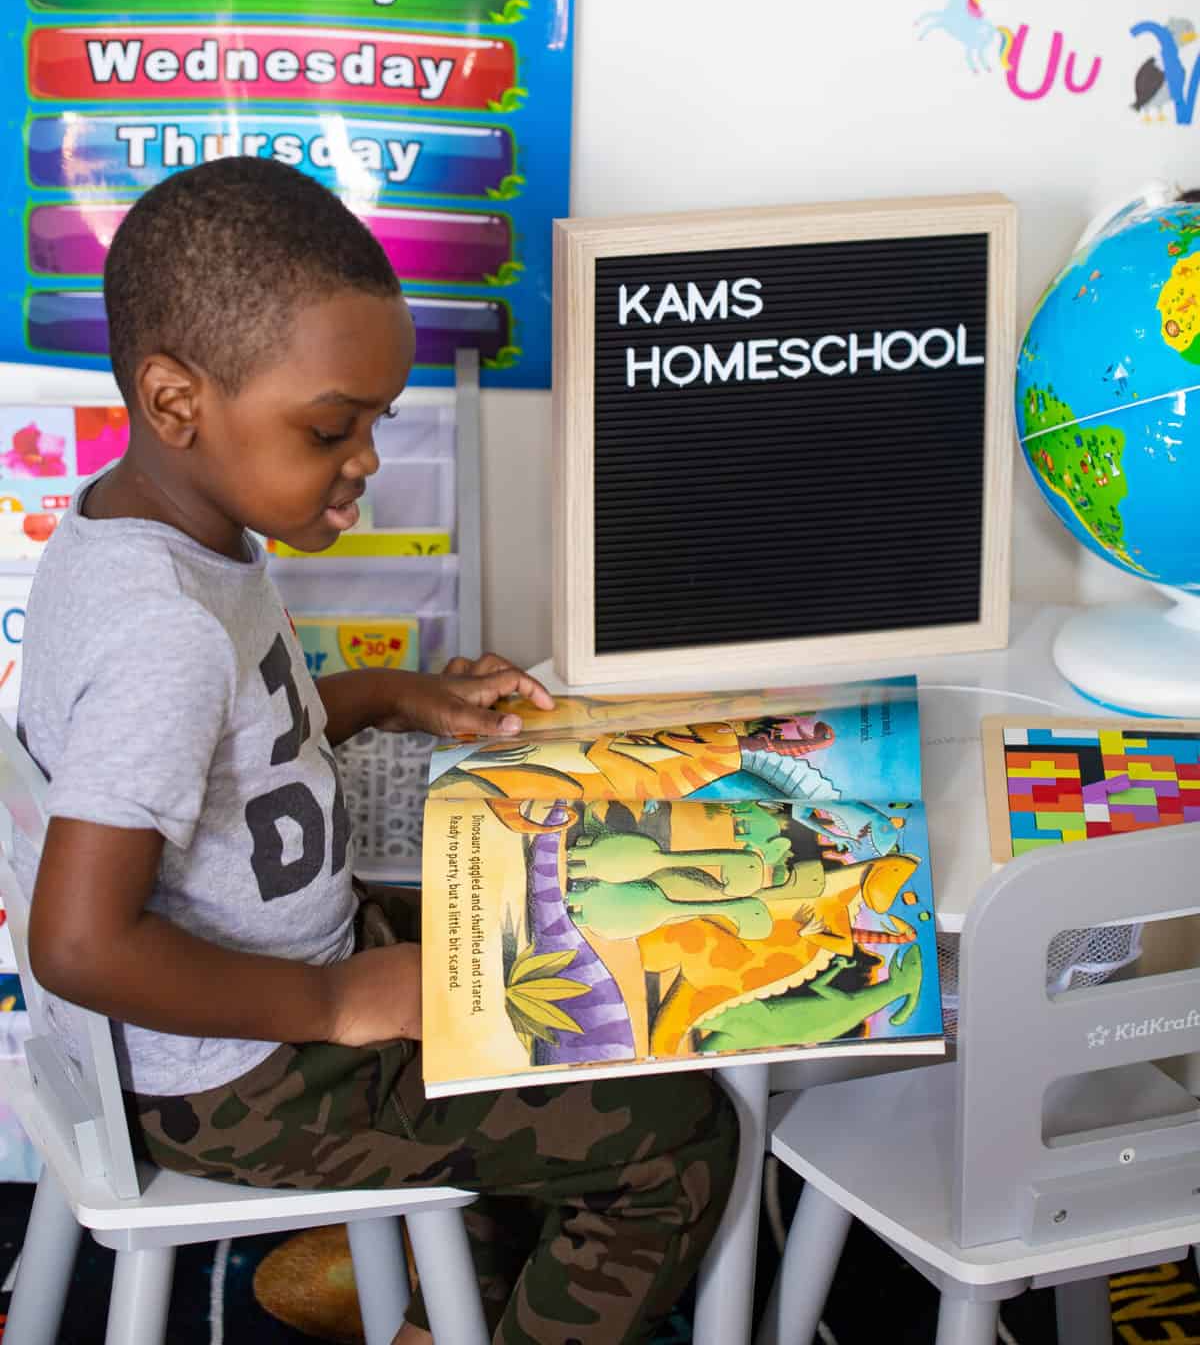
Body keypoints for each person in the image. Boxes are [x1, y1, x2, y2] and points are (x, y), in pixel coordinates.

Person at [17, 158, 737, 1345]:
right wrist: (336, 999)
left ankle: (450, 1300)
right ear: (175, 399)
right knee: (685, 1136)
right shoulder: (163, 634)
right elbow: (80, 941)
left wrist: (403, 697)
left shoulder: (155, 535)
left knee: (563, 940)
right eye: (330, 426)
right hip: (239, 1079)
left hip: (273, 995)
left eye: (378, 422)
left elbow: (250, 729)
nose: (364, 459)